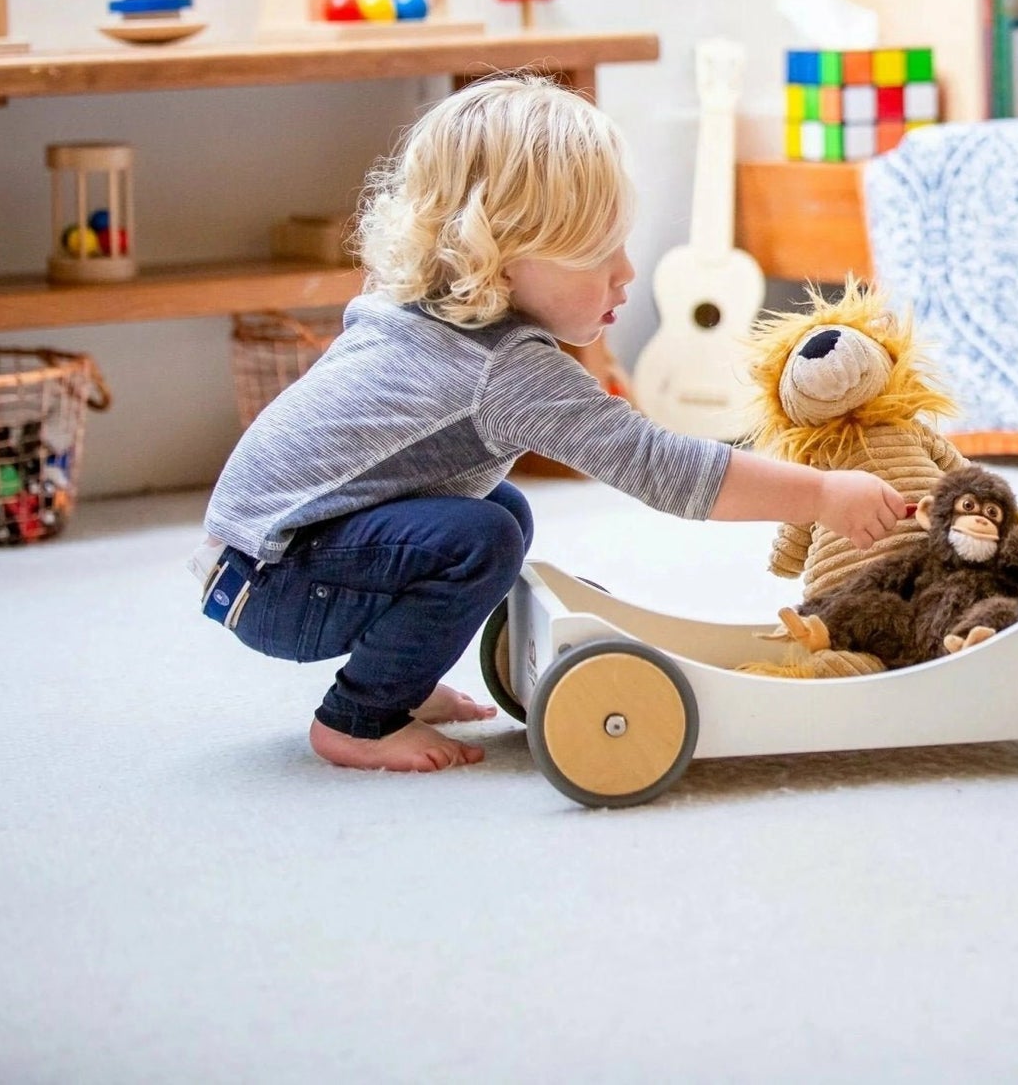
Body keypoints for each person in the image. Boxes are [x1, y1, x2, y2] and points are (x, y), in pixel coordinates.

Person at [192, 76, 905, 772]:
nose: (626, 273)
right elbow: (661, 466)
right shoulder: (505, 367)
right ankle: (358, 720)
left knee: (495, 506)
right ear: (499, 258)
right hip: (280, 583)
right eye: (598, 254)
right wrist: (818, 495)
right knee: (483, 536)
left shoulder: (415, 314)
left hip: (257, 563)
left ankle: (394, 670)